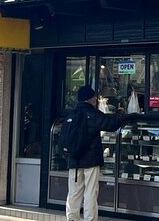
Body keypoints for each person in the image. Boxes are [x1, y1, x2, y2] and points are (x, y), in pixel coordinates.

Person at [66, 85, 131, 221]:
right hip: (90, 160)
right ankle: (90, 219)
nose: (96, 99)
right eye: (94, 97)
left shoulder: (72, 114)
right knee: (90, 192)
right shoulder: (92, 113)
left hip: (74, 160)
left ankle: (72, 218)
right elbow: (110, 125)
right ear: (89, 99)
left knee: (74, 193)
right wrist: (120, 113)